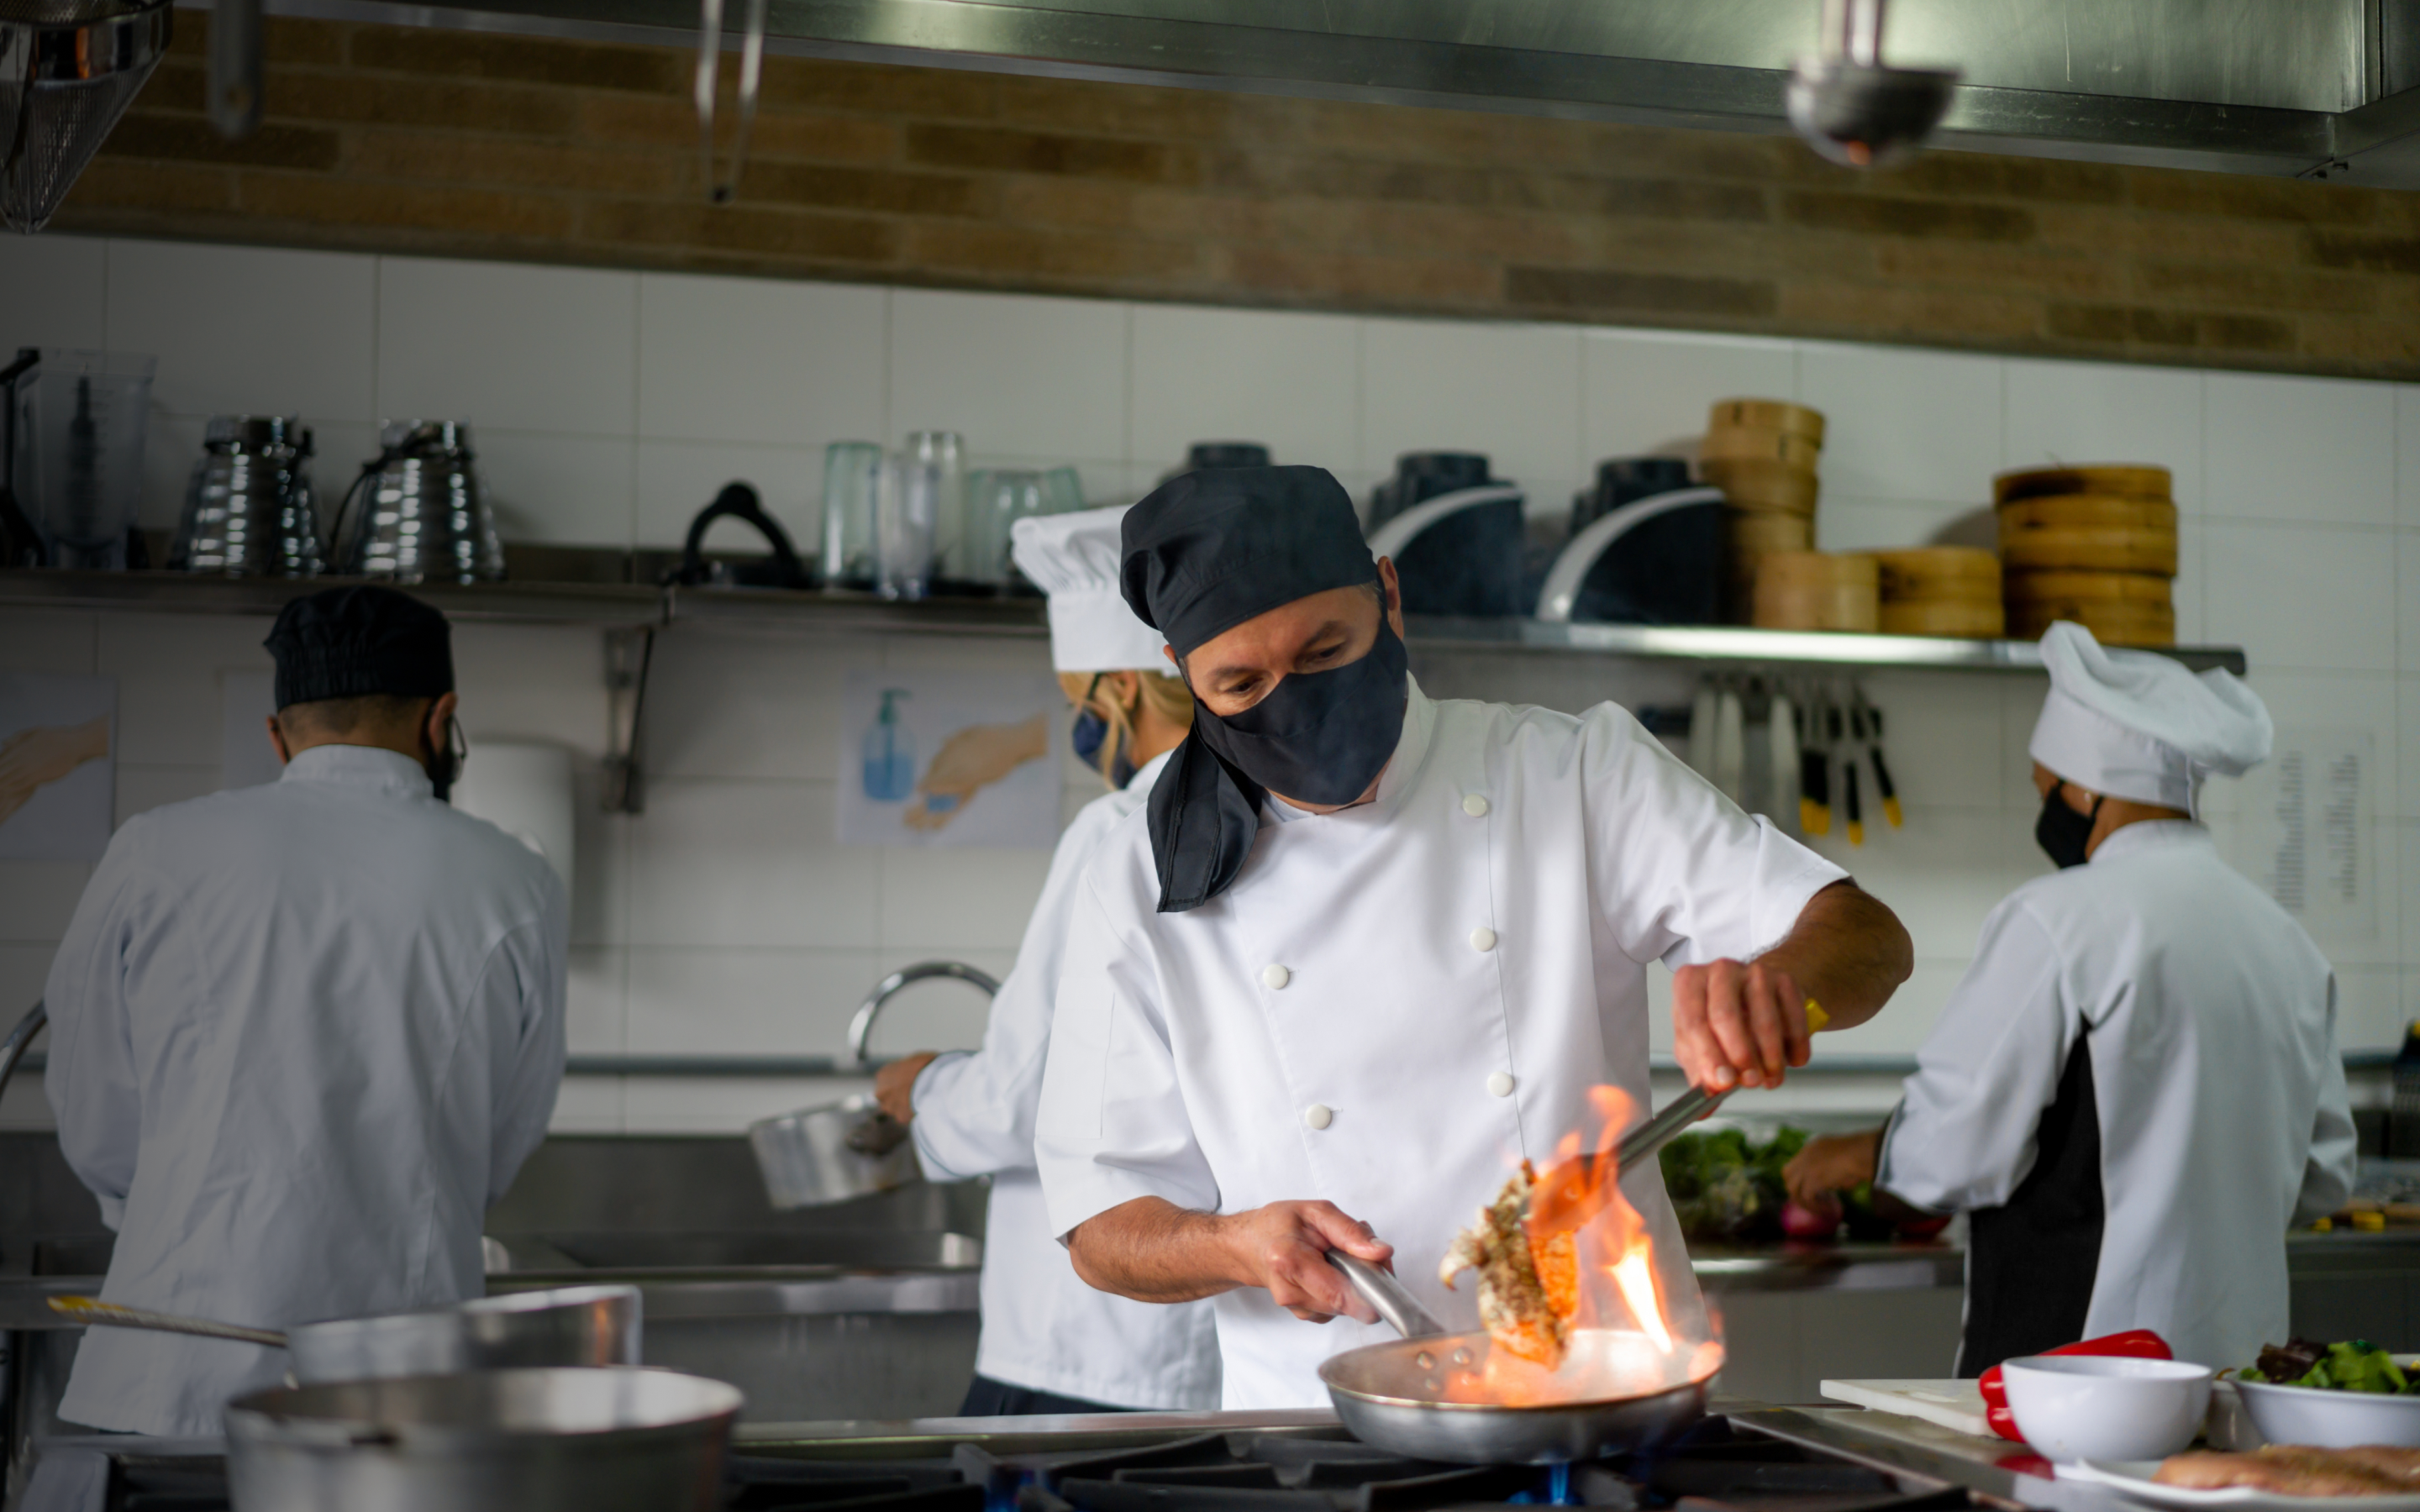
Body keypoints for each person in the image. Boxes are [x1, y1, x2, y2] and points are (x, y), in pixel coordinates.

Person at [1031, 465, 1915, 1409]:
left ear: (1391, 599)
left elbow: (1865, 938)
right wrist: (1234, 1245)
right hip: (1319, 1422)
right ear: (1183, 672)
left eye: (1327, 648)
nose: (1294, 704)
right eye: (1241, 684)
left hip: (1609, 1389)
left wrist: (1782, 984)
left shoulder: (1569, 772)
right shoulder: (1133, 867)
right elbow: (1100, 1227)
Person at [43, 585, 567, 1436]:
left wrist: (185, 1206)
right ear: (442, 720)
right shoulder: (516, 879)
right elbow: (503, 1136)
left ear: (278, 732)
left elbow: (91, 1102)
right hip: (404, 1381)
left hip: (180, 1363)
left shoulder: (156, 849)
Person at [1784, 621, 2357, 1375]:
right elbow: (2324, 1178)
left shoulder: (2058, 920)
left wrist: (1858, 1154)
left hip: (2083, 1380)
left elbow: (1956, 1150)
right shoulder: (2288, 944)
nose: (2043, 809)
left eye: (2043, 789)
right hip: (2243, 1379)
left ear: (2085, 788)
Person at [872, 507, 1222, 1415]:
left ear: (1123, 692)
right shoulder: (1275, 822)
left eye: (1079, 704)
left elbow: (1021, 1096)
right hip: (1215, 1338)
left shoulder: (1117, 830)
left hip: (1081, 1342)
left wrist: (927, 1092)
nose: (1079, 724)